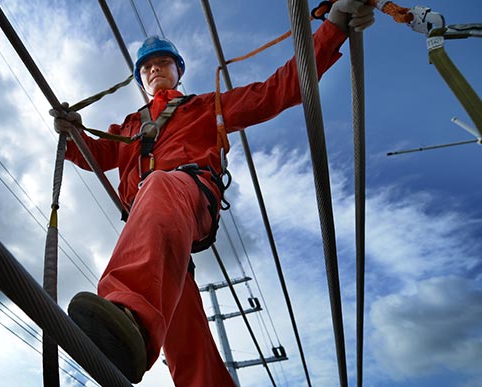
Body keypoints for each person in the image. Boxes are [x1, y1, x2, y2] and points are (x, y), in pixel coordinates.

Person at [50, 1, 374, 385]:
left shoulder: (205, 107)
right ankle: (144, 336)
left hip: (189, 195)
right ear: (140, 78)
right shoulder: (128, 126)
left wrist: (333, 28)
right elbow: (93, 153)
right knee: (183, 334)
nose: (155, 68)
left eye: (163, 62)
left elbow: (277, 91)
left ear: (178, 71)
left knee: (158, 189)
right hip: (152, 230)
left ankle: (128, 310)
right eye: (147, 66)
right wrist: (70, 133)